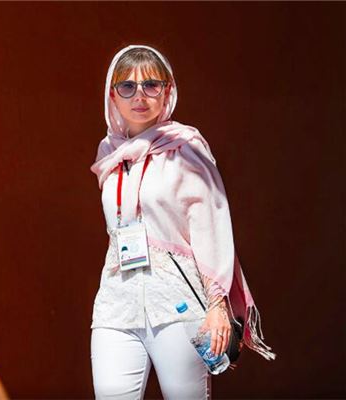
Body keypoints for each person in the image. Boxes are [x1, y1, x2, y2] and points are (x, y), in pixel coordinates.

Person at [89, 45, 276, 400]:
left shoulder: (186, 148)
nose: (139, 96)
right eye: (127, 86)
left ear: (168, 91)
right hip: (116, 305)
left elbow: (211, 224)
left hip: (175, 304)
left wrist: (217, 305)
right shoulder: (109, 155)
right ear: (112, 95)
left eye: (151, 85)